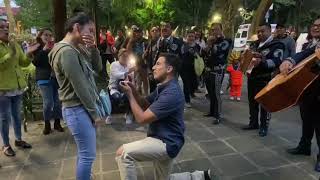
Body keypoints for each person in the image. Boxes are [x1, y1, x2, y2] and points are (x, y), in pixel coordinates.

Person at [115, 53, 212, 180]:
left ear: (169, 69)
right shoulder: (163, 87)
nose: (153, 67)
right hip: (164, 138)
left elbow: (141, 118)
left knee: (123, 153)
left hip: (166, 142)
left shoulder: (171, 93)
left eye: (158, 64)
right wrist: (133, 90)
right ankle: (198, 176)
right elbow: (145, 103)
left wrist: (129, 95)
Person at [49, 13, 102, 180]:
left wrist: (93, 48)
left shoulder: (76, 48)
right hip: (77, 109)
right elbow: (80, 86)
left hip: (79, 108)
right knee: (88, 156)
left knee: (85, 153)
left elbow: (98, 68)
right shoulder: (66, 52)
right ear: (77, 28)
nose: (93, 35)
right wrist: (94, 113)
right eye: (91, 31)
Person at [280, 18, 320, 172]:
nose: (315, 28)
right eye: (314, 25)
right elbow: (304, 54)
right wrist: (290, 60)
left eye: (319, 26)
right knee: (307, 121)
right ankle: (304, 146)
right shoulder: (311, 44)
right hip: (307, 90)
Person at [242, 23, 285, 137]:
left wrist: (263, 61)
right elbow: (247, 57)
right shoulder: (255, 44)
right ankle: (253, 123)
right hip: (252, 77)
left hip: (266, 78)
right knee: (252, 101)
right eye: (258, 32)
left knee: (265, 104)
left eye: (263, 31)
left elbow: (277, 61)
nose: (260, 33)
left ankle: (264, 126)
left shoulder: (277, 45)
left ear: (270, 31)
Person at [0, 16, 34, 157]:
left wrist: (30, 54)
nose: (6, 30)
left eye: (7, 27)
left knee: (16, 115)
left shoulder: (14, 44)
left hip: (17, 87)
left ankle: (18, 140)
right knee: (4, 118)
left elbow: (23, 63)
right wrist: (11, 54)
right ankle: (6, 145)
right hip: (3, 89)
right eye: (2, 28)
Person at [32, 28, 64, 135]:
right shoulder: (37, 48)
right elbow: (35, 62)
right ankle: (47, 125)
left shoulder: (54, 47)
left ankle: (57, 123)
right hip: (43, 79)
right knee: (48, 102)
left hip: (55, 78)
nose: (48, 37)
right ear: (40, 36)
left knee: (57, 102)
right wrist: (44, 50)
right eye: (45, 35)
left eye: (50, 35)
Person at [202, 23, 232, 124]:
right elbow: (203, 53)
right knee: (210, 93)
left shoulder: (226, 41)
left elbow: (218, 51)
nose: (214, 32)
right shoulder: (210, 41)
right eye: (212, 30)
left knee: (216, 93)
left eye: (216, 29)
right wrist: (208, 45)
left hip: (218, 71)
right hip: (208, 70)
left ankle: (218, 115)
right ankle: (212, 111)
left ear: (221, 30)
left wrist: (210, 44)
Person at [106, 48, 136, 125]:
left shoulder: (130, 65)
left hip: (126, 87)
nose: (125, 58)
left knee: (130, 96)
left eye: (127, 57)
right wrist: (128, 71)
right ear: (119, 56)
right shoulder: (114, 64)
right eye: (123, 56)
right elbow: (117, 75)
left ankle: (128, 114)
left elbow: (132, 78)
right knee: (116, 98)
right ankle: (110, 115)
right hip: (114, 88)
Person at [127, 25, 149, 95]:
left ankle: (146, 96)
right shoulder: (132, 41)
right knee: (137, 81)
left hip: (143, 64)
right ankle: (139, 96)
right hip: (135, 64)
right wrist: (131, 41)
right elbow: (128, 51)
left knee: (145, 80)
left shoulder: (146, 41)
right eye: (136, 32)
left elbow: (149, 51)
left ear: (142, 33)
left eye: (139, 32)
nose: (137, 34)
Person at [181, 30, 200, 108]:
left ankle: (191, 93)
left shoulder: (197, 46)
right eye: (189, 36)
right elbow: (182, 55)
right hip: (184, 68)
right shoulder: (183, 45)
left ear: (194, 37)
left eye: (192, 36)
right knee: (186, 84)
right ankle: (187, 100)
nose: (191, 38)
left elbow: (200, 56)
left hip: (194, 68)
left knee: (194, 83)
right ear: (186, 37)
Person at [144, 26, 160, 93]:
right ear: (150, 33)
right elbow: (146, 58)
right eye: (152, 31)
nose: (154, 32)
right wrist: (149, 71)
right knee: (152, 89)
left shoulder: (162, 42)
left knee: (159, 89)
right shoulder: (148, 43)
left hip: (159, 69)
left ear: (159, 32)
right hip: (151, 70)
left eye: (156, 30)